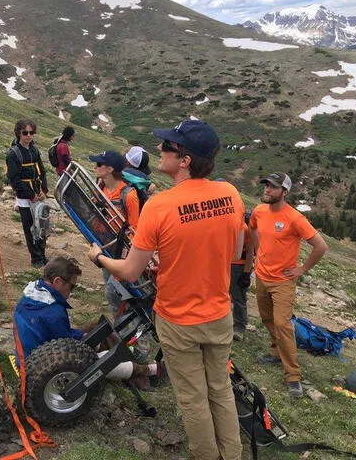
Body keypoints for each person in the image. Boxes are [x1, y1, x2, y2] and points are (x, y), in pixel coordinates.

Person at [88, 119, 244, 460]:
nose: (159, 149)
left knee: (192, 398)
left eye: (168, 146)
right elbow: (230, 251)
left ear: (184, 160)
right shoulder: (230, 194)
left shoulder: (160, 206)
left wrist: (100, 257)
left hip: (179, 319)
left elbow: (130, 271)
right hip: (219, 314)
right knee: (220, 389)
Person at [13, 257, 163, 386]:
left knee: (97, 327)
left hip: (30, 355)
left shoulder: (31, 294)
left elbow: (58, 336)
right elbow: (64, 344)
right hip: (45, 366)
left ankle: (131, 361)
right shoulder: (53, 313)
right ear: (57, 281)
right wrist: (88, 342)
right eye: (72, 286)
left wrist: (82, 336)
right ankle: (146, 372)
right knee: (105, 359)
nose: (71, 292)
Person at [249, 172, 328, 398]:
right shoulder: (259, 211)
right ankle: (275, 352)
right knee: (267, 319)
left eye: (273, 187)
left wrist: (302, 269)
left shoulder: (294, 218)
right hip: (262, 276)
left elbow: (320, 246)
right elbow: (253, 228)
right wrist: (257, 252)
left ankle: (293, 376)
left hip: (282, 281)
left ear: (285, 192)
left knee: (283, 324)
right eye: (266, 186)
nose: (267, 190)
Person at [89, 150, 140, 317]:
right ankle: (121, 324)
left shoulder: (129, 195)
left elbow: (135, 228)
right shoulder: (100, 189)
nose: (94, 167)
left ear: (110, 169)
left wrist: (127, 258)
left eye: (98, 164)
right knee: (112, 291)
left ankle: (133, 330)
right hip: (104, 245)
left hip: (120, 252)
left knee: (115, 291)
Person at [7, 119, 49, 268]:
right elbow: (14, 180)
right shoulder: (13, 153)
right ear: (19, 133)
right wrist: (31, 195)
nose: (29, 136)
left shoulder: (34, 150)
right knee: (30, 228)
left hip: (39, 195)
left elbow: (42, 171)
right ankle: (36, 259)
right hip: (25, 199)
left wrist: (44, 189)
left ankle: (42, 255)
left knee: (42, 227)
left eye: (31, 133)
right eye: (25, 133)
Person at [229, 210, 254, 341]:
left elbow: (250, 252)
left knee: (238, 296)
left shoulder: (244, 229)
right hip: (226, 263)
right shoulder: (227, 225)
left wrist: (246, 273)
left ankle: (239, 327)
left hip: (239, 266)